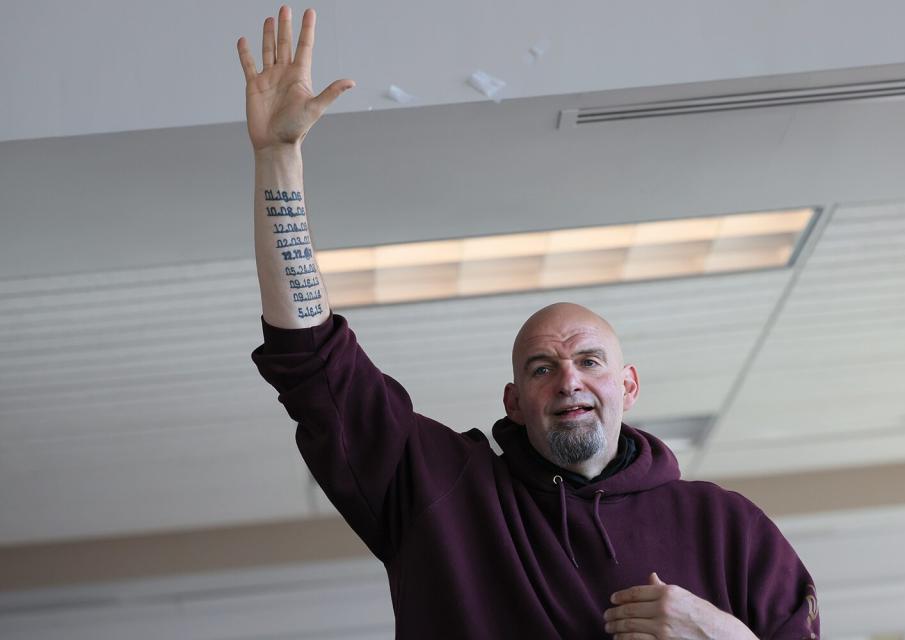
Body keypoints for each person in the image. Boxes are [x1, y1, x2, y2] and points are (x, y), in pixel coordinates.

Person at [240, 7, 820, 639]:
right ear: (515, 403)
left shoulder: (726, 527)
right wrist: (278, 159)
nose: (568, 380)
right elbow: (313, 364)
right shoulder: (443, 494)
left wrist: (721, 636)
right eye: (542, 368)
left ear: (627, 385)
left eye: (589, 361)